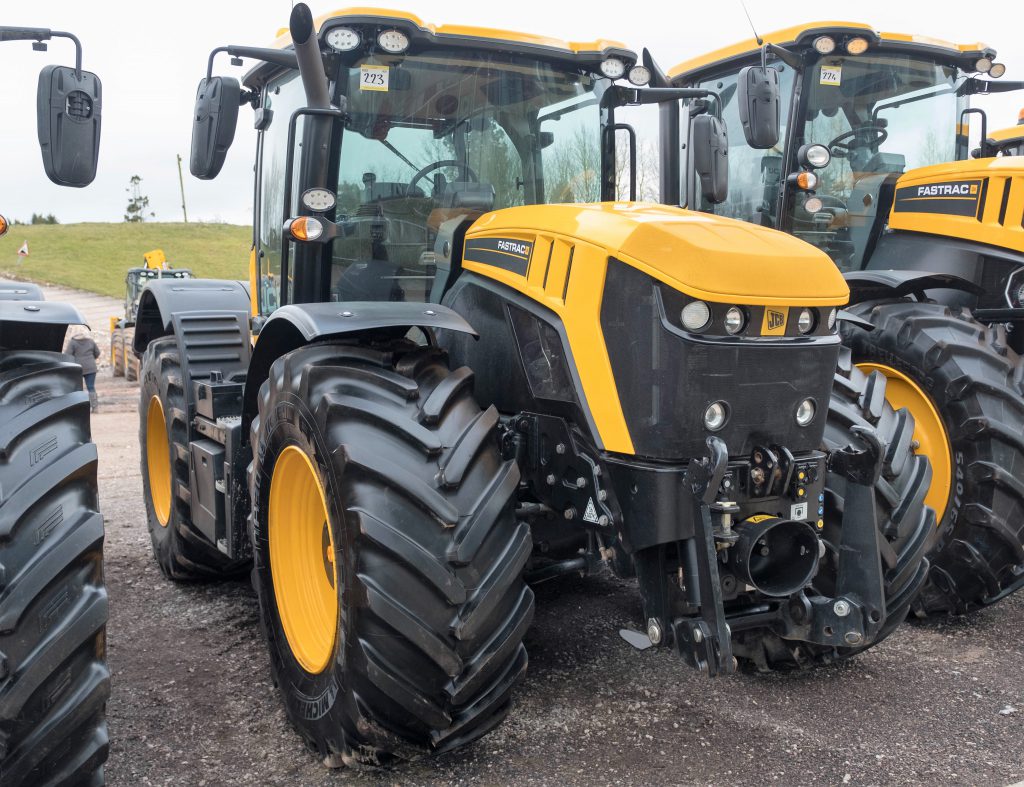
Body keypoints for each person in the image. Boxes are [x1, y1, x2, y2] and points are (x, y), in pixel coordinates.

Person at [64, 331, 101, 412]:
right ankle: (95, 407)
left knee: (78, 389)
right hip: (91, 367)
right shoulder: (90, 341)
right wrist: (90, 359)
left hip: (78, 368)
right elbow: (97, 353)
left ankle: (79, 408)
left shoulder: (73, 342)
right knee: (91, 387)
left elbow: (67, 355)